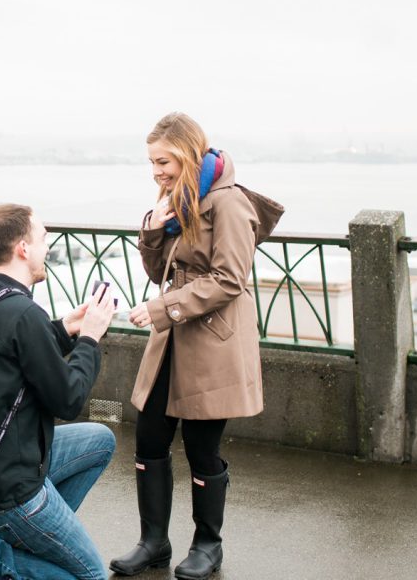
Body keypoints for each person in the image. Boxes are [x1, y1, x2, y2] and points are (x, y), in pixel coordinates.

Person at [109, 113, 281, 579]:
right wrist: (151, 228)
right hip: (172, 338)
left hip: (213, 340)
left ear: (186, 152)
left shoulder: (229, 204)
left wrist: (164, 308)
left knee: (203, 447)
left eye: (163, 161)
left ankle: (208, 545)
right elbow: (159, 272)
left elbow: (229, 280)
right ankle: (154, 542)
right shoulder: (180, 198)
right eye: (151, 162)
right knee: (149, 437)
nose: (156, 171)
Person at [0, 203, 118, 580]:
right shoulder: (22, 314)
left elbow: (9, 356)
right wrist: (91, 339)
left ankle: (37, 540)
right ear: (23, 249)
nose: (48, 248)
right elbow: (69, 399)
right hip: (7, 486)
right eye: (44, 239)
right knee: (90, 576)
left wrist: (65, 328)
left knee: (100, 440)